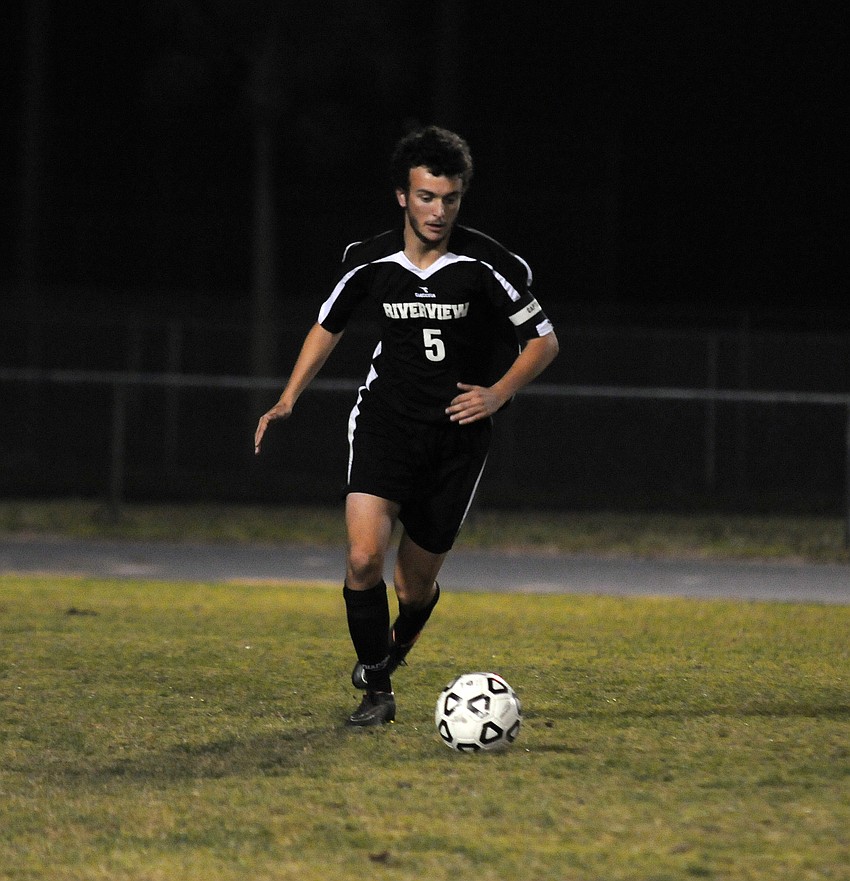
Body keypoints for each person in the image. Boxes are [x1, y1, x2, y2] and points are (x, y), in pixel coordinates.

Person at [254, 125, 559, 726]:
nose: (438, 211)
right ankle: (377, 689)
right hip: (385, 423)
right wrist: (288, 398)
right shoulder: (370, 260)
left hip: (456, 438)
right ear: (402, 196)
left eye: (450, 199)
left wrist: (497, 393)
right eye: (426, 197)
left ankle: (394, 647)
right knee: (363, 558)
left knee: (412, 587)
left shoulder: (486, 263)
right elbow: (328, 326)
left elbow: (543, 341)